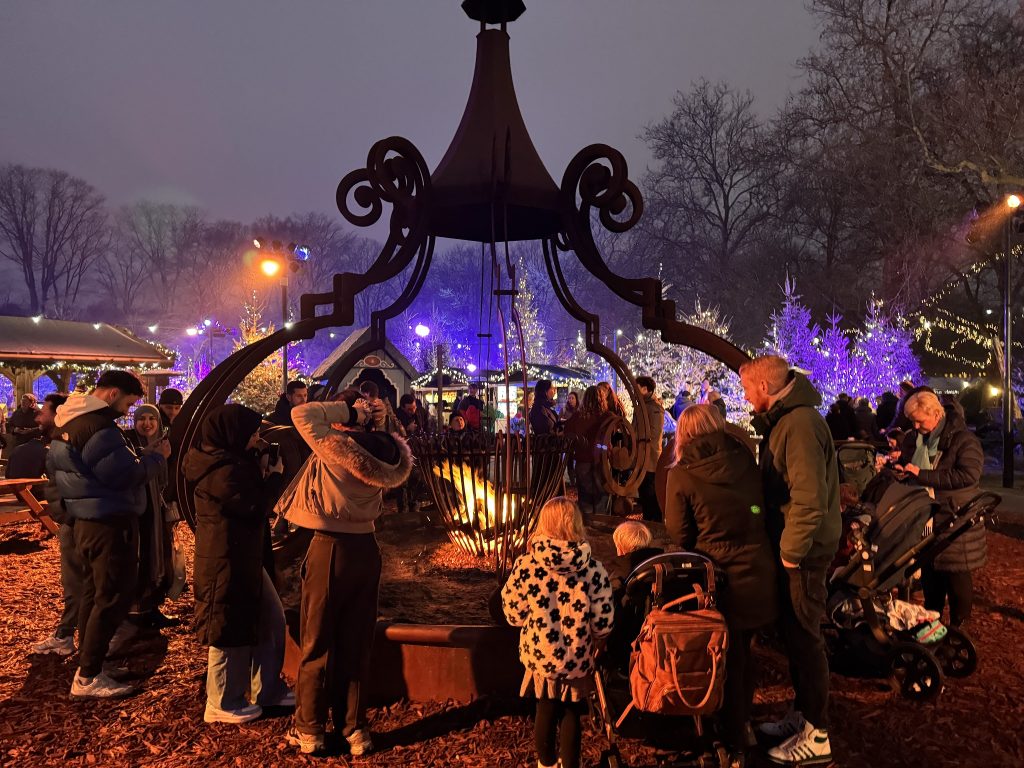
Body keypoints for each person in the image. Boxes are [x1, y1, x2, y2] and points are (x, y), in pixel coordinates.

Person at [282, 391, 413, 756]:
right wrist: (375, 420)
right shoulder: (388, 449)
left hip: (330, 546)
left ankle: (309, 729)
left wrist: (350, 414)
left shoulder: (336, 447)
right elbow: (387, 437)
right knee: (357, 642)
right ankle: (355, 730)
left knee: (316, 641)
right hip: (367, 550)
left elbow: (303, 413)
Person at [738, 355, 840, 766]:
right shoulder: (789, 422)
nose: (744, 396)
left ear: (764, 387)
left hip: (805, 554)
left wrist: (790, 554)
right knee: (798, 638)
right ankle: (802, 718)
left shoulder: (797, 426)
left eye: (747, 388)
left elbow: (809, 499)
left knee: (805, 638)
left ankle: (817, 734)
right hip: (800, 550)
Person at [663, 404, 779, 762]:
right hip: (758, 569)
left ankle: (729, 728)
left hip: (719, 577)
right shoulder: (746, 459)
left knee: (722, 654)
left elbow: (679, 531)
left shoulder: (682, 474)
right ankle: (741, 719)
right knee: (744, 650)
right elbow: (762, 505)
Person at [47, 371, 170, 699]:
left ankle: (92, 663)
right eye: (130, 402)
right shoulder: (98, 428)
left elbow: (60, 474)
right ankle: (88, 676)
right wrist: (157, 458)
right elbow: (123, 475)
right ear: (114, 393)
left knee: (93, 593)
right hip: (109, 523)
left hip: (86, 522)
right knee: (113, 595)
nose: (130, 410)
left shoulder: (67, 422)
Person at [183, 403, 292, 724]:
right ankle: (221, 702)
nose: (257, 437)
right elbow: (254, 505)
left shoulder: (228, 461)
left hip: (243, 557)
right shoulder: (221, 470)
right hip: (225, 560)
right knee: (227, 626)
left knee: (270, 619)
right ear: (232, 434)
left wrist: (258, 467)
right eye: (252, 432)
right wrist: (274, 479)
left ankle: (267, 689)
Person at [501, 497, 614, 768]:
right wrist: (600, 637)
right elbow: (603, 618)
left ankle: (547, 761)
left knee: (545, 706)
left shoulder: (527, 566)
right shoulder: (593, 569)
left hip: (542, 655)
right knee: (573, 712)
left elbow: (512, 612)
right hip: (578, 655)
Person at [894, 390, 985, 627]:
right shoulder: (917, 439)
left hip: (955, 516)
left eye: (919, 420)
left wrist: (923, 475)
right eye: (912, 420)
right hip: (927, 517)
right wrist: (900, 464)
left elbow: (968, 475)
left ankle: (958, 630)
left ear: (936, 414)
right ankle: (932, 626)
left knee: (957, 580)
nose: (915, 425)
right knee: (931, 579)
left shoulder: (963, 440)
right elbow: (911, 466)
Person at [25, 394, 82, 657]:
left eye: (43, 411)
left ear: (59, 413)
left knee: (75, 581)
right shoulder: (63, 440)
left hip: (75, 522)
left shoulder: (66, 442)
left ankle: (68, 636)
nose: (38, 416)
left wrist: (66, 515)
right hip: (73, 519)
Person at [123, 404, 180, 628]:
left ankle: (152, 607)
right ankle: (136, 611)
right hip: (140, 512)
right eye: (141, 419)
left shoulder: (164, 446)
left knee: (159, 555)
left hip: (157, 512)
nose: (147, 424)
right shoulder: (129, 447)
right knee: (143, 557)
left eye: (151, 419)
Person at [563, 386, 616, 516]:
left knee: (585, 500)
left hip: (582, 461)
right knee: (602, 497)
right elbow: (614, 431)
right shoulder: (608, 416)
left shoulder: (576, 417)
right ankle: (602, 528)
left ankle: (587, 529)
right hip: (602, 462)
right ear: (602, 399)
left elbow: (567, 433)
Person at [6, 392, 66, 484]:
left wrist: (30, 430)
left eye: (25, 401)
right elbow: (9, 426)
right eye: (22, 401)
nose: (37, 419)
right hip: (20, 442)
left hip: (34, 443)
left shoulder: (58, 452)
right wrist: (14, 430)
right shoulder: (16, 413)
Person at [633, 375, 665, 521]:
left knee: (650, 494)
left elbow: (655, 433)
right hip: (641, 457)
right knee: (645, 494)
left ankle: (655, 523)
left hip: (650, 459)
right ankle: (648, 521)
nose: (634, 391)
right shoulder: (643, 405)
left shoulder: (654, 408)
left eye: (637, 387)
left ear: (645, 389)